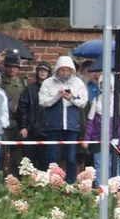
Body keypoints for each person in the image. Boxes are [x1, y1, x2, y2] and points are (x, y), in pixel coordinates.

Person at [38, 56, 88, 184]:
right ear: (57, 70)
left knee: (71, 157)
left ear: (72, 70)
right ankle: (52, 184)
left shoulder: (78, 83)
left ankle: (71, 184)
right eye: (62, 70)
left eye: (68, 70)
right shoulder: (48, 83)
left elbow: (83, 103)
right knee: (53, 157)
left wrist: (71, 98)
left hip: (72, 125)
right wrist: (57, 96)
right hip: (54, 125)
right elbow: (43, 102)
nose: (65, 73)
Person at [82, 74, 120, 186]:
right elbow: (90, 122)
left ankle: (114, 194)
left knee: (113, 166)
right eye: (102, 84)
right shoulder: (97, 99)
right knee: (99, 166)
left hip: (114, 140)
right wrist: (87, 139)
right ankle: (100, 193)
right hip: (98, 139)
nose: (105, 87)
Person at [16, 61, 50, 170]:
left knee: (45, 163)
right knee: (29, 164)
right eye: (41, 70)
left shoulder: (53, 90)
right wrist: (23, 126)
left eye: (45, 71)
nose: (43, 73)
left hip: (48, 132)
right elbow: (22, 108)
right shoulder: (29, 89)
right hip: (31, 131)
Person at [0, 53, 27, 176]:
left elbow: (26, 103)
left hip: (17, 122)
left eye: (15, 67)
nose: (12, 69)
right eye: (9, 66)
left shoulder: (23, 82)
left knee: (17, 156)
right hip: (2, 122)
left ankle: (16, 182)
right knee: (1, 154)